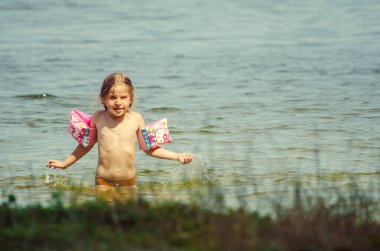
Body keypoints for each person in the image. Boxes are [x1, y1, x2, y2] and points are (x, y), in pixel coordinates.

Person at [46, 73, 193, 190]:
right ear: (103, 98)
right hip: (103, 182)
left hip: (129, 182)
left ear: (130, 99)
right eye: (112, 97)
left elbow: (150, 149)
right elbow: (86, 145)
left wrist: (177, 156)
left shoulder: (136, 119)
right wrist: (65, 163)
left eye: (123, 97)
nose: (118, 102)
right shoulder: (98, 117)